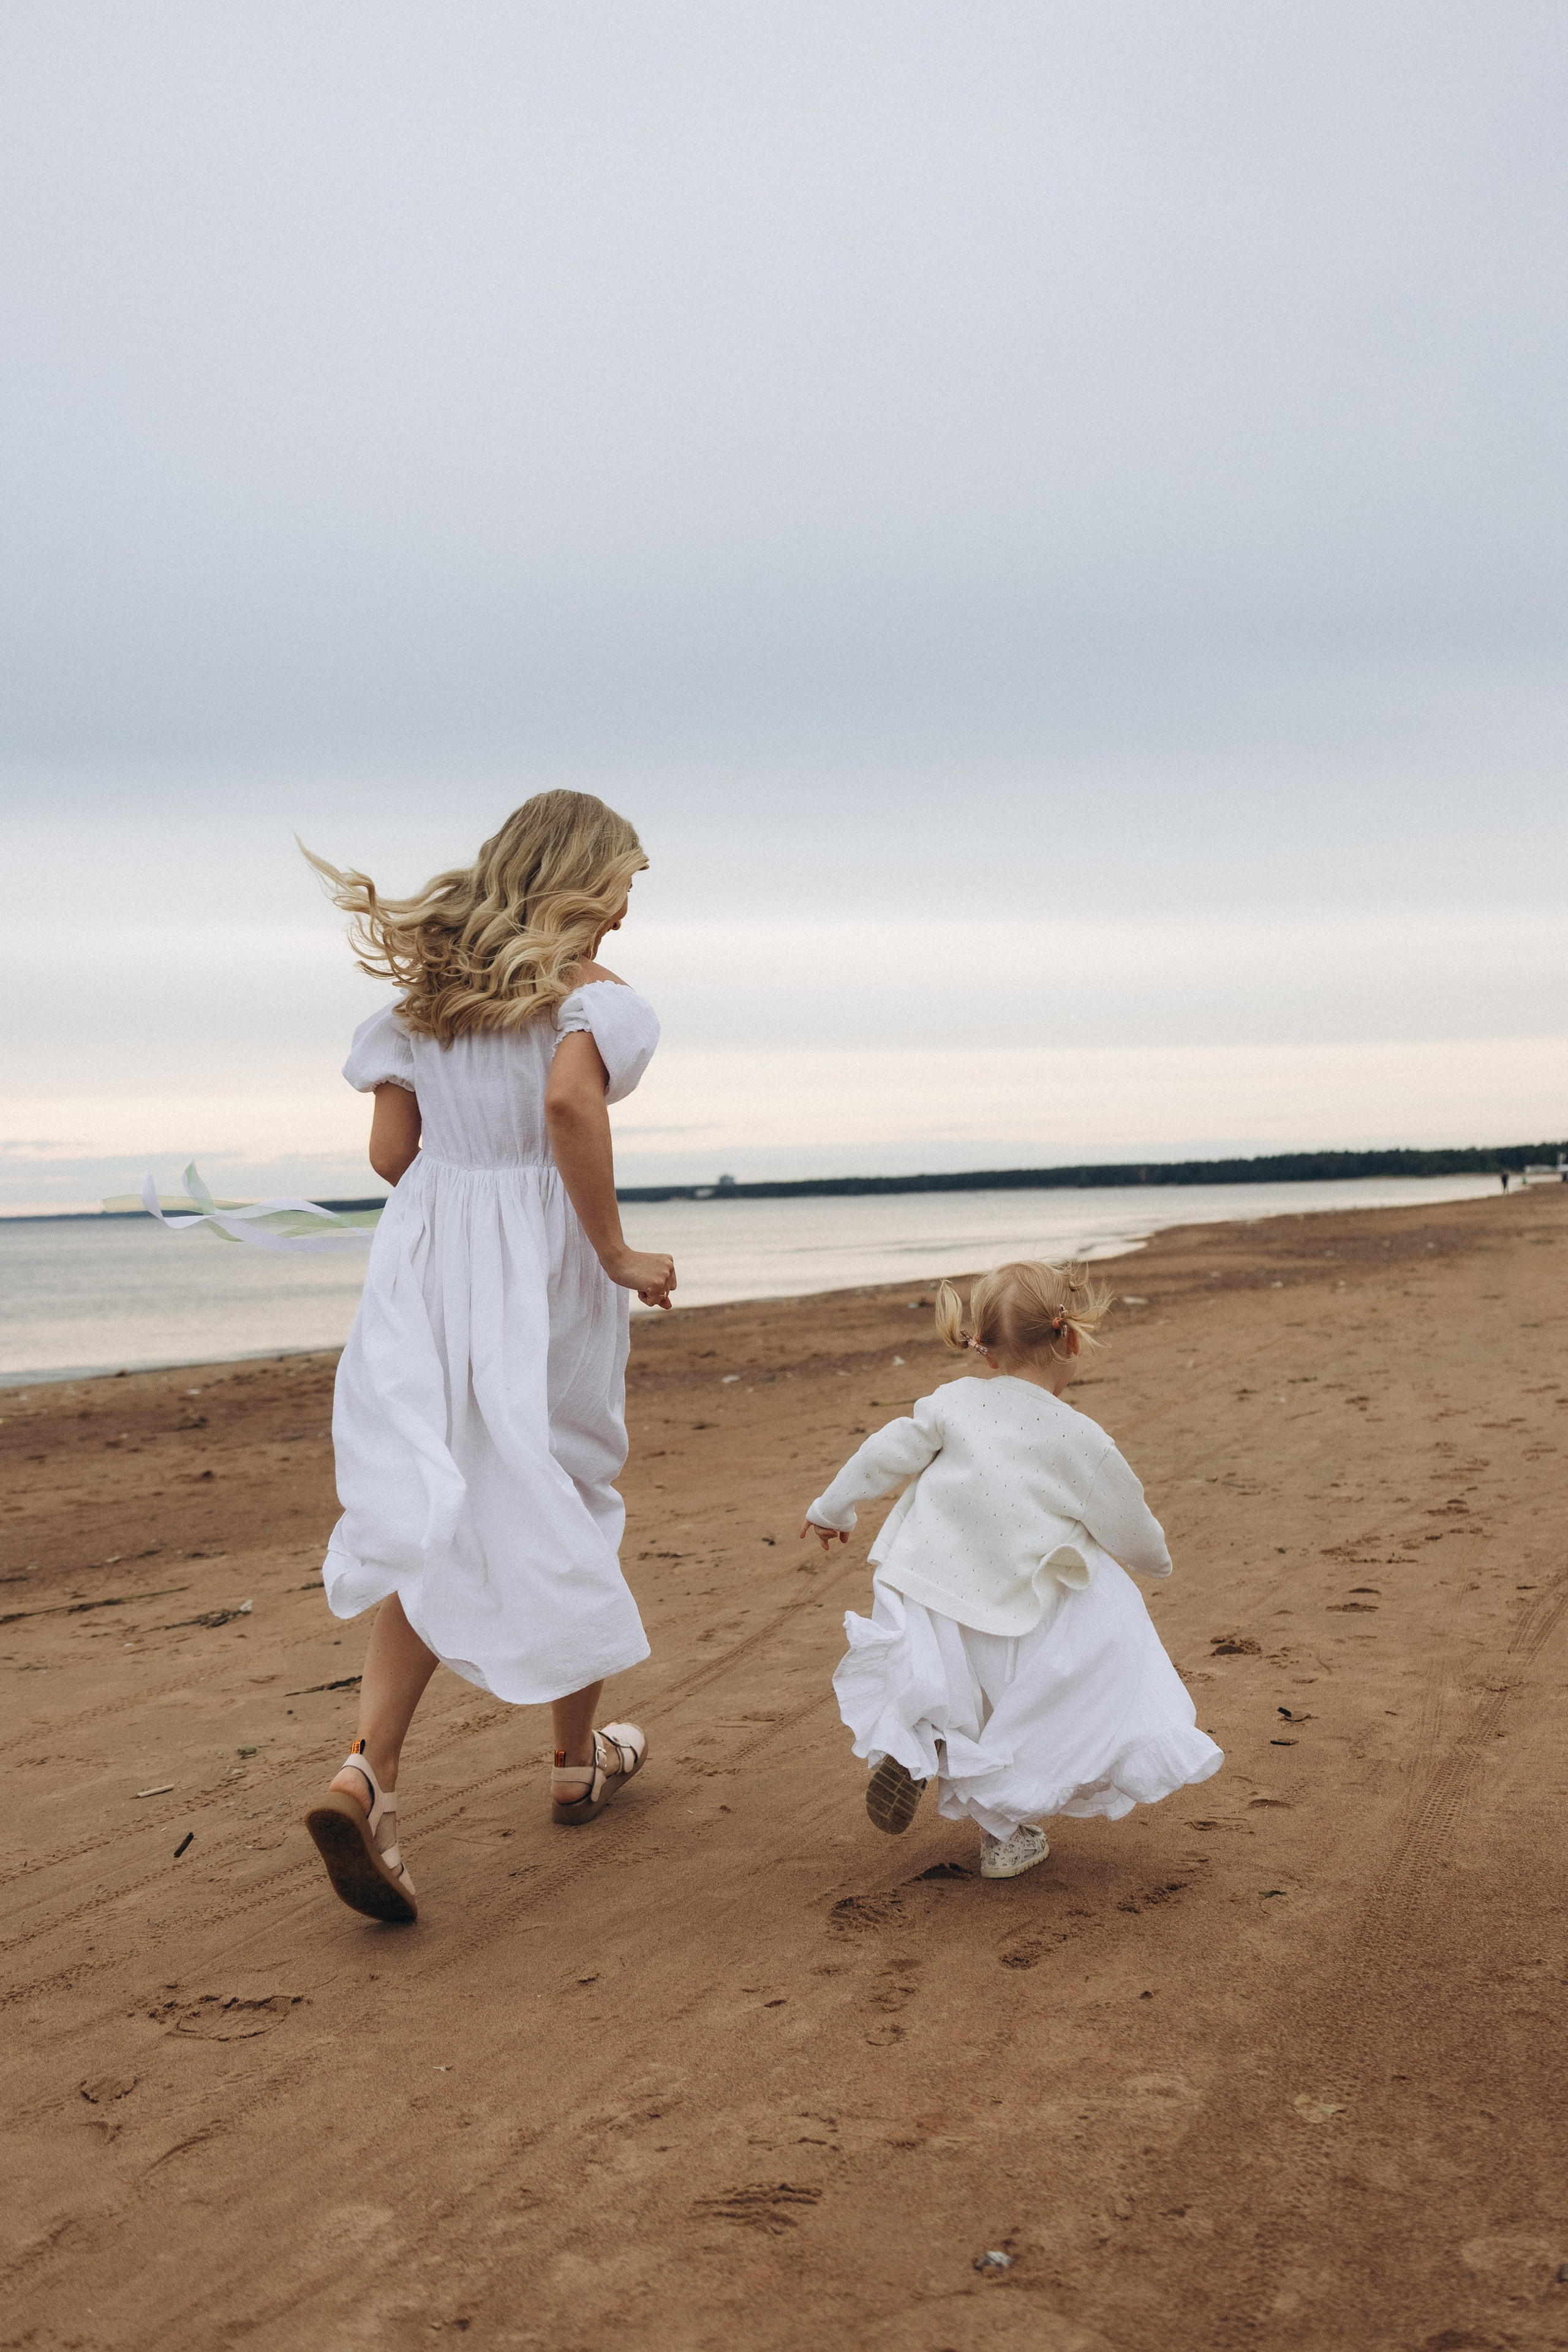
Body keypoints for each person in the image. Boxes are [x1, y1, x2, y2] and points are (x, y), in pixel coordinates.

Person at [298, 791, 675, 1923]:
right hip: (547, 1268)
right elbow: (567, 1104)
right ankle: (572, 1764)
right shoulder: (598, 1004)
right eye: (619, 886)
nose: (620, 912)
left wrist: (463, 1200)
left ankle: (369, 1770)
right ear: (580, 882)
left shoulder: (427, 1003)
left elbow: (391, 1152)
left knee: (442, 1498)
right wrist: (609, 1248)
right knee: (563, 1481)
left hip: (432, 1269)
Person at [801, 1262, 1221, 1880]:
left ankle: (916, 1746)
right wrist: (1152, 1563)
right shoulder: (1082, 1438)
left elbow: (886, 1451)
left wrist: (831, 1508)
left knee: (948, 1690)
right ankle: (1002, 1833)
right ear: (1070, 1339)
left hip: (926, 1581)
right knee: (1055, 1669)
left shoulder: (951, 1402)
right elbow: (1127, 1521)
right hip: (1012, 1601)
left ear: (984, 1348)